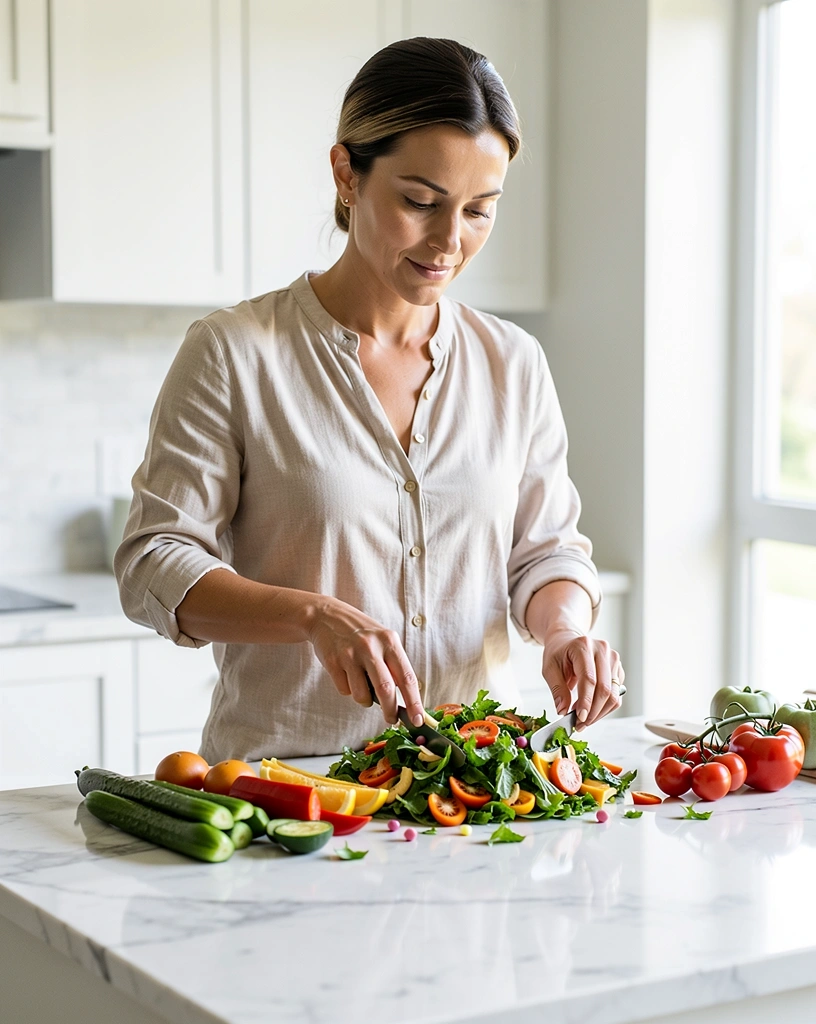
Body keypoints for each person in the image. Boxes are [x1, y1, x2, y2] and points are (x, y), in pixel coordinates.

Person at [115, 37, 625, 763]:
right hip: (289, 791)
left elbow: (545, 552)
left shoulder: (513, 363)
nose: (450, 241)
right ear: (346, 174)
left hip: (470, 791)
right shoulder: (236, 352)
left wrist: (567, 629)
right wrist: (311, 616)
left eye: (480, 210)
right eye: (421, 201)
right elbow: (152, 562)